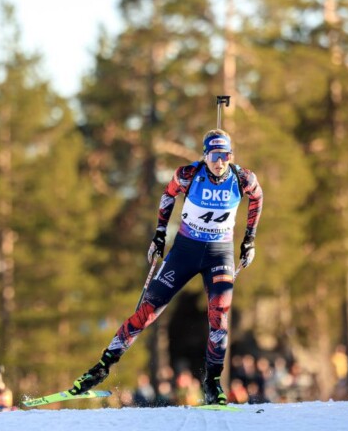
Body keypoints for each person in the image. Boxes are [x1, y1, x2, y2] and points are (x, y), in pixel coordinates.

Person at [69, 129, 263, 405]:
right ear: (205, 156)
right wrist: (159, 234)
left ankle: (212, 383)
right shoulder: (188, 174)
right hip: (185, 251)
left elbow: (257, 197)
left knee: (219, 316)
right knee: (148, 311)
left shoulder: (242, 178)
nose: (220, 162)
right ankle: (101, 367)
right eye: (214, 156)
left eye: (225, 155)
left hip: (219, 254)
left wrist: (249, 240)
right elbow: (168, 195)